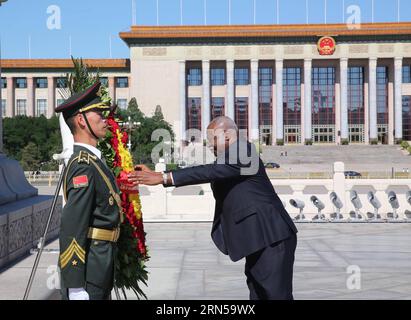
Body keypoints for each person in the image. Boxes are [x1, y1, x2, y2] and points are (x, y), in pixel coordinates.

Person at [129, 116, 298, 300]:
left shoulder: (243, 150)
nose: (212, 147)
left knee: (275, 295)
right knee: (259, 294)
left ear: (227, 134)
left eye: (213, 140)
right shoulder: (232, 158)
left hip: (271, 236)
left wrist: (164, 177)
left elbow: (208, 171)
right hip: (260, 239)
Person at [55, 81, 122, 300]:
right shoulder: (83, 165)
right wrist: (75, 287)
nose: (105, 120)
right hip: (89, 271)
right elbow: (73, 225)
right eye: (99, 114)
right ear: (81, 120)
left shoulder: (94, 161)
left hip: (100, 264)